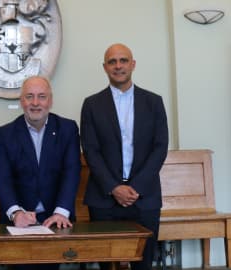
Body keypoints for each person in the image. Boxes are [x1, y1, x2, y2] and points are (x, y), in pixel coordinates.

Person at [80, 43, 169, 270]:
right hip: (104, 198)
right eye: (112, 61)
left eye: (123, 60)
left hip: (145, 197)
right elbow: (91, 150)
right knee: (107, 263)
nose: (118, 66)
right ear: (104, 67)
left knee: (144, 262)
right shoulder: (91, 105)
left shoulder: (154, 102)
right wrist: (114, 187)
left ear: (133, 64)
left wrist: (136, 187)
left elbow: (160, 147)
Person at [0, 76, 81, 270]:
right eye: (29, 96)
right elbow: (2, 180)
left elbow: (72, 172)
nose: (35, 103)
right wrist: (16, 213)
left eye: (41, 96)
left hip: (57, 220)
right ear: (21, 101)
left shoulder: (67, 129)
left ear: (50, 100)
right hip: (19, 223)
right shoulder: (5, 134)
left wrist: (61, 212)